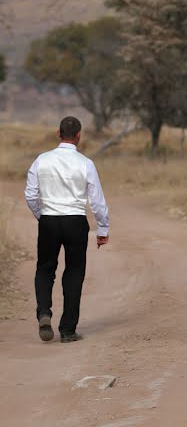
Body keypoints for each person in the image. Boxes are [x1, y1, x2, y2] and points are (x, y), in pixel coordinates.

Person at [25, 116, 110, 343]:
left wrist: (42, 216)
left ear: (58, 133)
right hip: (75, 221)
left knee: (45, 269)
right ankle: (68, 330)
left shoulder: (41, 160)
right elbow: (97, 200)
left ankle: (44, 312)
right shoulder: (85, 163)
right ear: (79, 136)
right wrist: (103, 228)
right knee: (74, 272)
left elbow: (31, 194)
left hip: (50, 220)